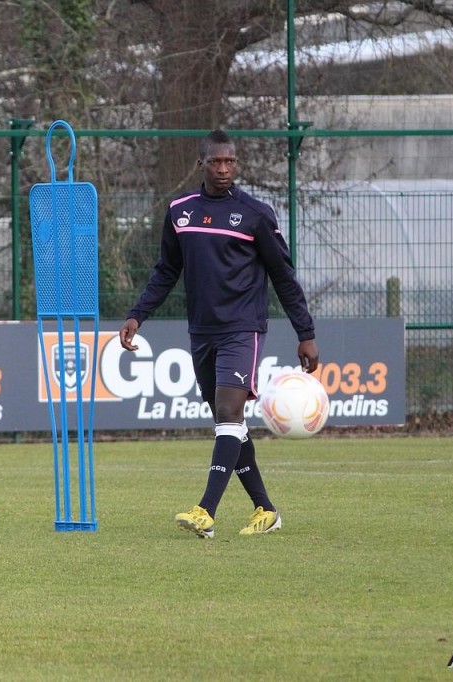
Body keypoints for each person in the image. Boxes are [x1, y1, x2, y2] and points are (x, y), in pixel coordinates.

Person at [118, 129, 320, 538]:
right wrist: (138, 315)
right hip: (201, 332)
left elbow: (283, 276)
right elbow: (166, 271)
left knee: (228, 413)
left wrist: (306, 332)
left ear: (236, 164)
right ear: (202, 164)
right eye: (216, 162)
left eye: (230, 161)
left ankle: (205, 512)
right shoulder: (180, 211)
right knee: (229, 422)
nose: (224, 168)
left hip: (242, 329)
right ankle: (266, 509)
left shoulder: (255, 214)